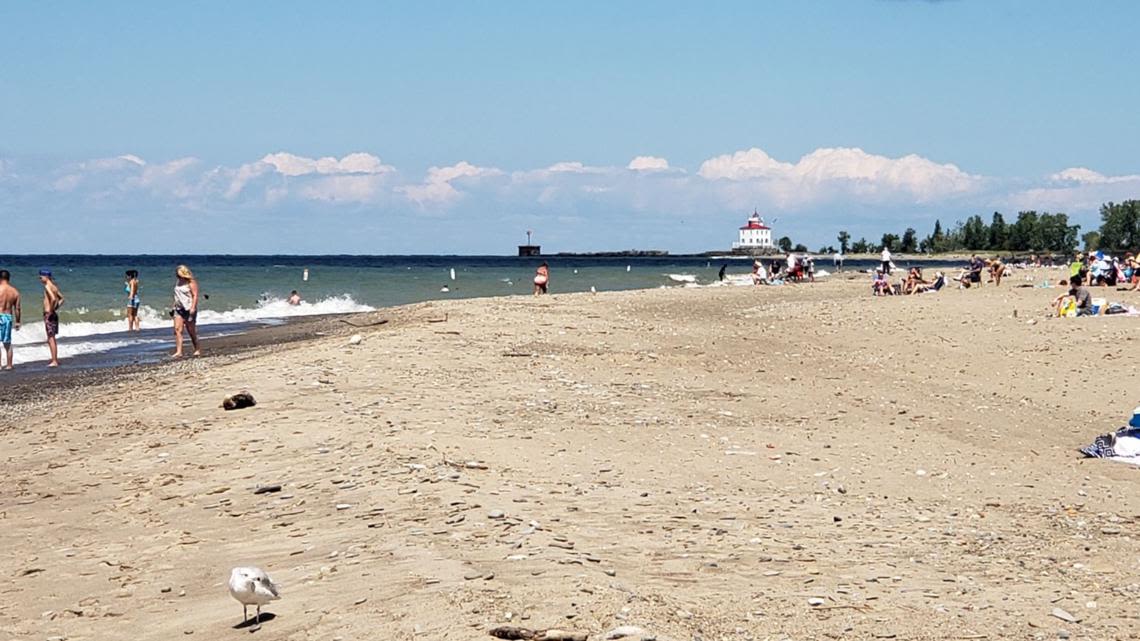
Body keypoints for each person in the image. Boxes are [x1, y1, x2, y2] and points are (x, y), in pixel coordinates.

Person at [172, 265, 201, 358]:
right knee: (177, 329)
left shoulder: (191, 282)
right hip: (178, 308)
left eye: (179, 273)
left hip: (188, 308)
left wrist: (193, 307)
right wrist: (173, 306)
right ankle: (179, 351)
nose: (178, 275)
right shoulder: (178, 282)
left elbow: (195, 295)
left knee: (191, 330)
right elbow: (177, 295)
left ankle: (197, 348)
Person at [38, 269, 64, 367]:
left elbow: (53, 298)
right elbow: (62, 298)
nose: (40, 279)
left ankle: (54, 360)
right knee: (51, 337)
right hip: (53, 314)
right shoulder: (54, 286)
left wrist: (51, 310)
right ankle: (54, 359)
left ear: (46, 277)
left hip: (49, 313)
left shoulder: (47, 286)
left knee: (51, 338)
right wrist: (56, 308)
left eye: (41, 277)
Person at [0, 270, 21, 370]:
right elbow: (17, 308)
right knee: (7, 343)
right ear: (8, 278)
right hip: (8, 317)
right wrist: (17, 321)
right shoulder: (15, 292)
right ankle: (9, 365)